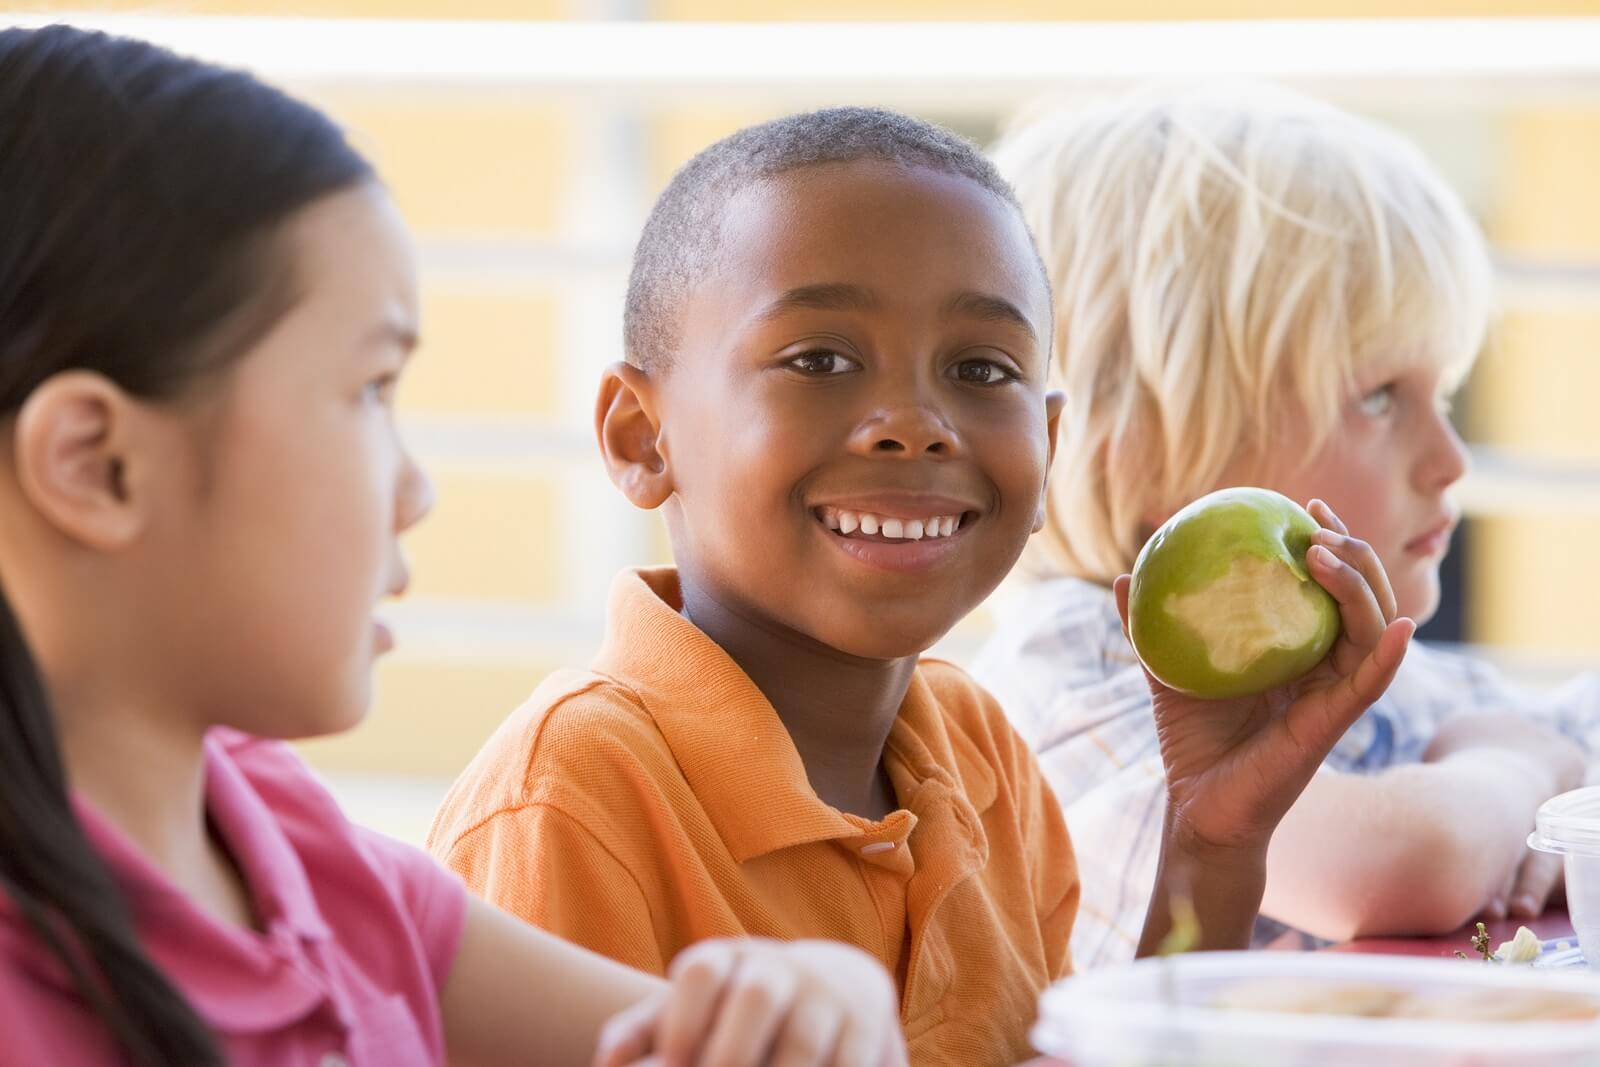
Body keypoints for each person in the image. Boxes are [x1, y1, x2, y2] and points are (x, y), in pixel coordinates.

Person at [428, 105, 1413, 1067]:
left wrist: (1214, 836)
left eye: (980, 368)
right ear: (641, 437)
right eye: (819, 358)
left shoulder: (979, 755)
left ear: (1048, 446)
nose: (913, 421)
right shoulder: (572, 796)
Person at [0, 25, 908, 1067]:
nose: (416, 490)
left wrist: (810, 996)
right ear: (96, 463)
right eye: (368, 391)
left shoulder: (280, 838)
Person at [972, 84, 1595, 969]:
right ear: (1154, 460)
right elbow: (1391, 864)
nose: (1451, 458)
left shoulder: (1362, 658)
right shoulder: (1078, 674)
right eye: (1379, 398)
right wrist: (1521, 771)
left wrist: (1543, 765)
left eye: (1442, 395)